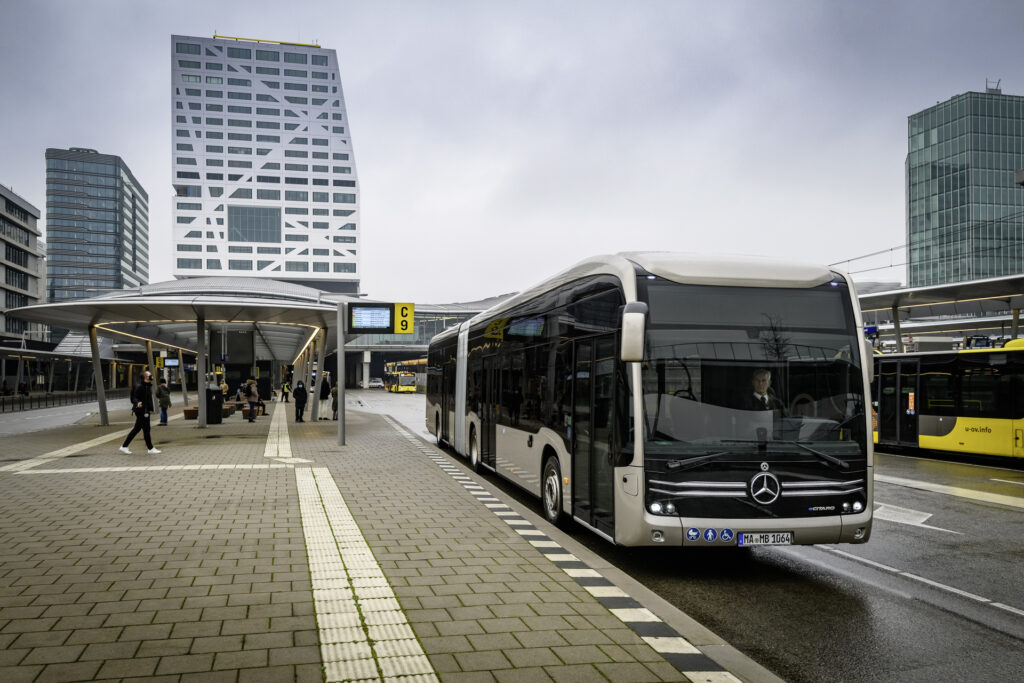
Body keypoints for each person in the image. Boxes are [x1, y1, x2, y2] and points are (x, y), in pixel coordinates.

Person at [120, 370, 161, 455]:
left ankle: (124, 446)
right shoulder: (140, 386)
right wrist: (137, 402)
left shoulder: (147, 386)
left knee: (136, 429)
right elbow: (134, 397)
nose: (151, 376)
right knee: (146, 430)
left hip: (144, 410)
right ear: (146, 377)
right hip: (141, 411)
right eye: (150, 375)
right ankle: (150, 448)